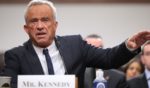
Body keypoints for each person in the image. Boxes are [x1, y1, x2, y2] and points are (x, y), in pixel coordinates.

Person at [1, 0, 150, 88]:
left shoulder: (75, 45)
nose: (40, 26)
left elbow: (108, 58)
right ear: (26, 29)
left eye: (45, 20)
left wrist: (129, 46)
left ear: (55, 25)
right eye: (34, 21)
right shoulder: (15, 56)